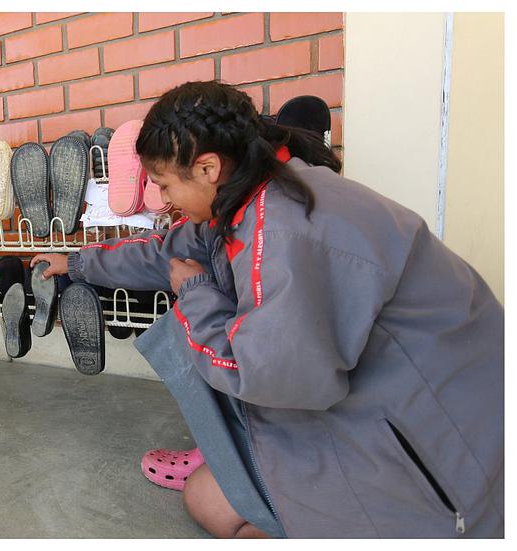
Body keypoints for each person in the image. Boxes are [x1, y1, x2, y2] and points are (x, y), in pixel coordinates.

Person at [31, 81, 503, 538]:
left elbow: (268, 378)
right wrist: (76, 263)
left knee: (209, 498)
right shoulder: (261, 190)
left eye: (165, 186)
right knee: (208, 495)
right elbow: (165, 251)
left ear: (207, 168)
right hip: (389, 411)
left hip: (440, 464)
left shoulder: (282, 230)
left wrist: (194, 292)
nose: (166, 203)